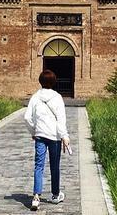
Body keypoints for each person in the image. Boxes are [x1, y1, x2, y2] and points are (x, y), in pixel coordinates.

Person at [24, 70, 70, 211]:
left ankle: (36, 197)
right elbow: (61, 119)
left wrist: (34, 131)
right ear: (54, 82)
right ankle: (55, 195)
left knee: (39, 166)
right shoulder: (57, 97)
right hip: (54, 137)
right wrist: (64, 135)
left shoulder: (35, 97)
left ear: (40, 81)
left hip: (40, 136)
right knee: (54, 166)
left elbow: (27, 117)